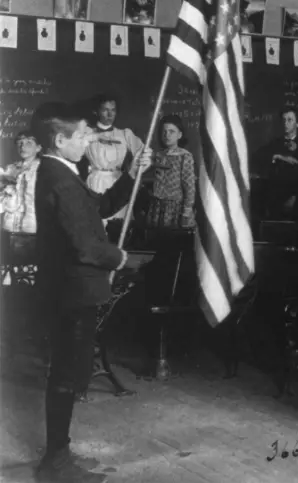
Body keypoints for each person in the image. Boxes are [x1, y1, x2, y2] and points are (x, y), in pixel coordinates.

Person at [32, 102, 152, 482]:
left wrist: (132, 175)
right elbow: (85, 246)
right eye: (82, 135)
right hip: (72, 293)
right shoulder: (59, 178)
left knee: (68, 372)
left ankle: (59, 453)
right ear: (60, 139)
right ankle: (55, 462)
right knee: (67, 375)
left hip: (72, 291)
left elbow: (96, 208)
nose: (88, 141)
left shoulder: (64, 172)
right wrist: (120, 258)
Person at [82, 94, 144, 221]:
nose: (110, 115)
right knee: (98, 222)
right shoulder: (87, 133)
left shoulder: (124, 134)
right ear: (96, 111)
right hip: (96, 183)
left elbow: (145, 153)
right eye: (105, 110)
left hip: (119, 182)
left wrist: (134, 165)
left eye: (113, 110)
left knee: (118, 223)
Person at [250, 108, 298, 220]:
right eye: (284, 120)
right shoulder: (274, 143)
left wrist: (296, 197)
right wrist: (278, 156)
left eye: (290, 120)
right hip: (273, 199)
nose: (286, 123)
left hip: (296, 200)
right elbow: (256, 157)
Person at [145, 114, 196, 229]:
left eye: (172, 132)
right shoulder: (158, 155)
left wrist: (187, 211)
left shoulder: (185, 156)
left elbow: (189, 186)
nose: (167, 135)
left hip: (175, 209)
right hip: (157, 208)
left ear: (180, 135)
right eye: (164, 131)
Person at [1, 131, 42, 233]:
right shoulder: (10, 169)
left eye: (28, 143)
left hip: (33, 225)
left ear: (38, 148)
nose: (23, 147)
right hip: (10, 224)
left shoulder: (42, 169)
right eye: (20, 143)